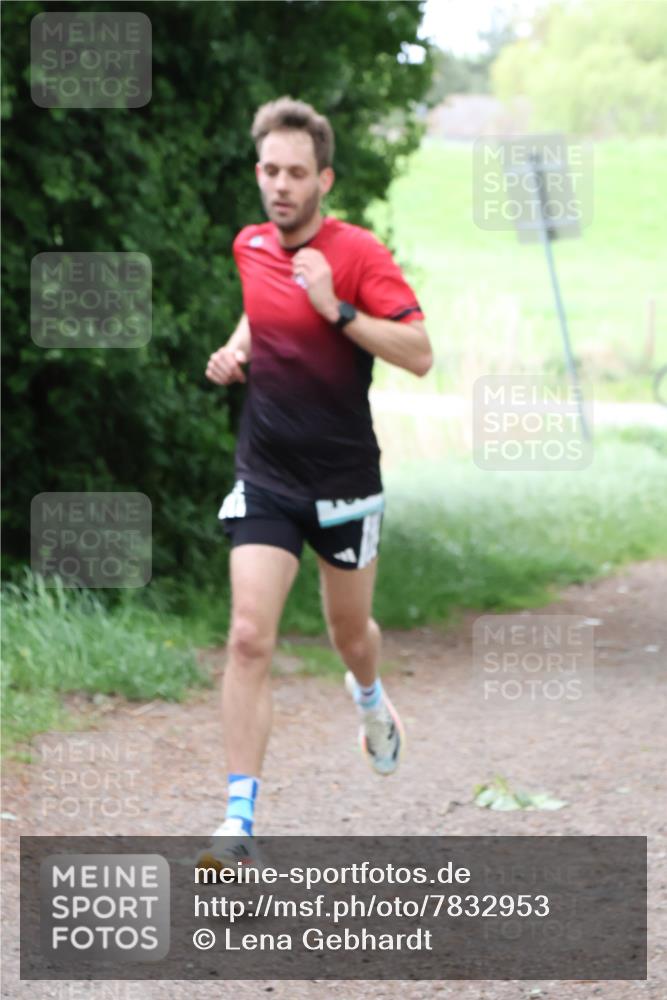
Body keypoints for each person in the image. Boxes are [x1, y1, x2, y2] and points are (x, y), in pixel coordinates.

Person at [200, 97, 432, 868]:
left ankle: (369, 699)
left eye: (296, 173)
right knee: (246, 636)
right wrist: (236, 350)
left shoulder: (358, 254)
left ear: (323, 178)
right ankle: (238, 821)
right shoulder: (249, 244)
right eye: (269, 170)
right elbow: (259, 309)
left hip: (343, 482)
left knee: (347, 635)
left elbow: (419, 352)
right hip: (266, 472)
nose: (280, 185)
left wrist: (335, 310)